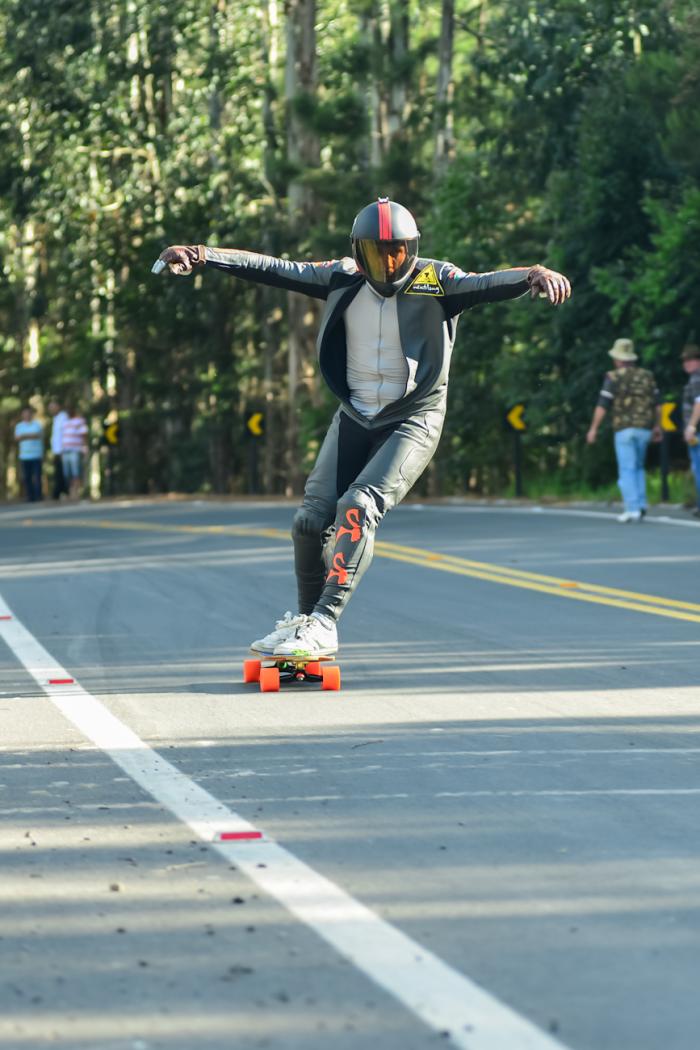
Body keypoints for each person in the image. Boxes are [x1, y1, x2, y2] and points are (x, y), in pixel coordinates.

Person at [154, 197, 571, 658]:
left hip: (413, 418)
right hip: (355, 415)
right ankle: (305, 623)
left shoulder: (437, 280)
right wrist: (204, 254)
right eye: (376, 253)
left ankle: (326, 622)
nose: (388, 264)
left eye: (398, 252)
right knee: (309, 522)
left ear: (413, 250)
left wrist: (532, 274)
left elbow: (487, 283)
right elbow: (273, 267)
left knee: (357, 503)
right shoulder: (342, 276)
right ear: (359, 252)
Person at [586, 337, 661, 523]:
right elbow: (657, 404)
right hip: (644, 428)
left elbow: (603, 404)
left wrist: (593, 428)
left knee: (627, 469)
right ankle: (642, 505)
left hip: (624, 429)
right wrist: (658, 426)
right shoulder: (647, 376)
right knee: (638, 467)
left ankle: (632, 508)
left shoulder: (613, 377)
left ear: (618, 359)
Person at [681, 343, 700, 518]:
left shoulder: (696, 378)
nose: (686, 363)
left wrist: (691, 427)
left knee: (699, 467)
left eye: (689, 360)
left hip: (698, 431)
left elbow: (699, 403)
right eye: (684, 360)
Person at [14, 405, 44, 502]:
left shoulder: (37, 424)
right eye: (25, 413)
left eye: (28, 413)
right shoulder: (19, 426)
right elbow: (17, 438)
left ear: (31, 414)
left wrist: (24, 436)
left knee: (37, 476)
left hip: (36, 455)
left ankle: (38, 496)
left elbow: (38, 435)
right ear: (22, 415)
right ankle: (30, 497)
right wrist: (30, 435)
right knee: (27, 477)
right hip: (24, 456)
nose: (27, 415)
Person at [61, 403, 89, 500]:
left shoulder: (80, 421)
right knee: (67, 473)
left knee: (75, 472)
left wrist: (84, 447)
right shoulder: (65, 422)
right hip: (65, 450)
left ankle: (76, 493)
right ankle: (70, 492)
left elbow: (84, 434)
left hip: (75, 450)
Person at [47, 398, 69, 500]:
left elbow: (66, 433)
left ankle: (61, 493)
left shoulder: (63, 417)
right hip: (56, 450)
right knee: (58, 472)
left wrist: (63, 449)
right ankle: (60, 492)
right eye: (50, 408)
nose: (51, 410)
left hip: (62, 450)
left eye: (53, 407)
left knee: (62, 473)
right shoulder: (55, 419)